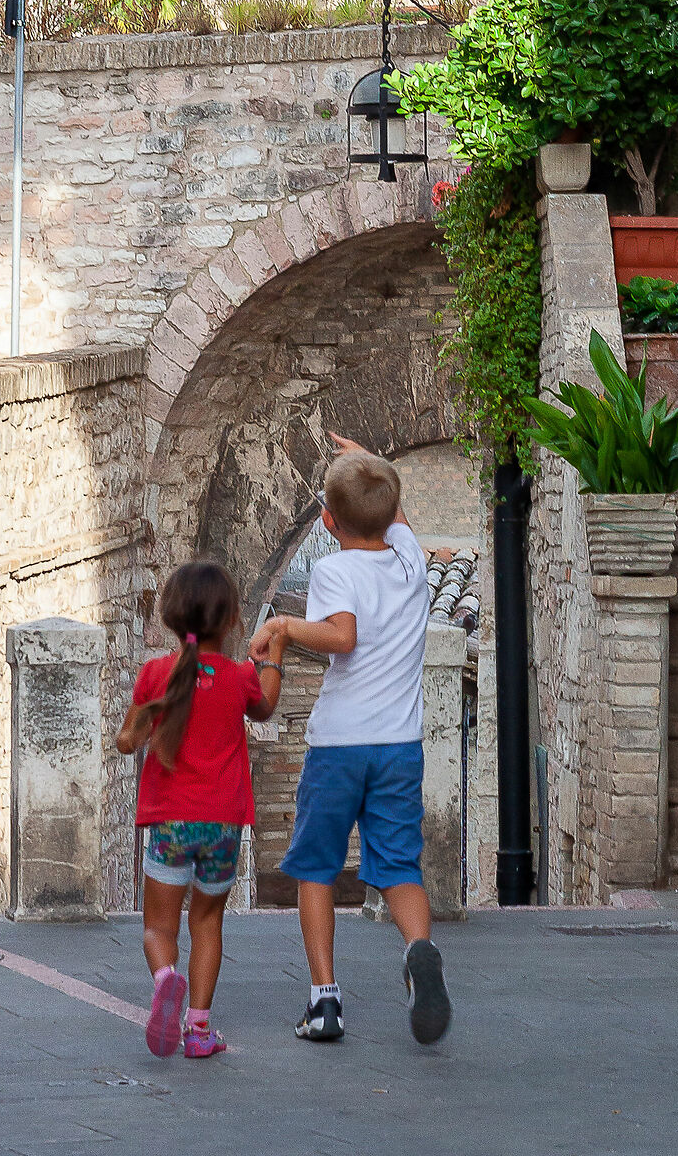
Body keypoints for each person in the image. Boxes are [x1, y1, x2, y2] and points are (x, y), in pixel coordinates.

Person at [250, 445, 451, 1048]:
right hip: (398, 745)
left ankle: (324, 1002)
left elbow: (342, 636)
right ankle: (419, 951)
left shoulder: (335, 569)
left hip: (339, 745)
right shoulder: (411, 561)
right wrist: (371, 464)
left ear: (328, 523)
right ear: (390, 517)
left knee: (315, 865)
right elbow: (401, 521)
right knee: (396, 864)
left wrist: (283, 627)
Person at [117, 559, 282, 1060]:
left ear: (169, 616)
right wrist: (274, 656)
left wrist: (138, 730)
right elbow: (267, 706)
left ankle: (167, 978)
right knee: (207, 922)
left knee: (158, 928)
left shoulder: (154, 674)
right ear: (232, 620)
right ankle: (199, 1031)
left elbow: (128, 740)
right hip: (224, 824)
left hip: (170, 822)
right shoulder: (237, 677)